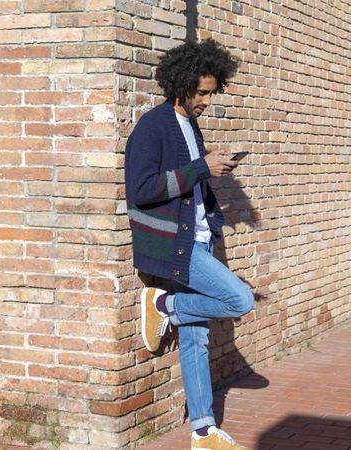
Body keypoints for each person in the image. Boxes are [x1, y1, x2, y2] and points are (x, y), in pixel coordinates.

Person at [124, 39, 254, 450]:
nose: (206, 101)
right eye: (202, 92)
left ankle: (202, 432)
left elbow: (189, 180)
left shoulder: (190, 126)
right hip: (175, 245)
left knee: (195, 337)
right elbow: (141, 189)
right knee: (240, 301)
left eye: (211, 92)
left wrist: (211, 169)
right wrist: (201, 167)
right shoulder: (153, 125)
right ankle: (164, 306)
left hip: (197, 238)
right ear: (180, 84)